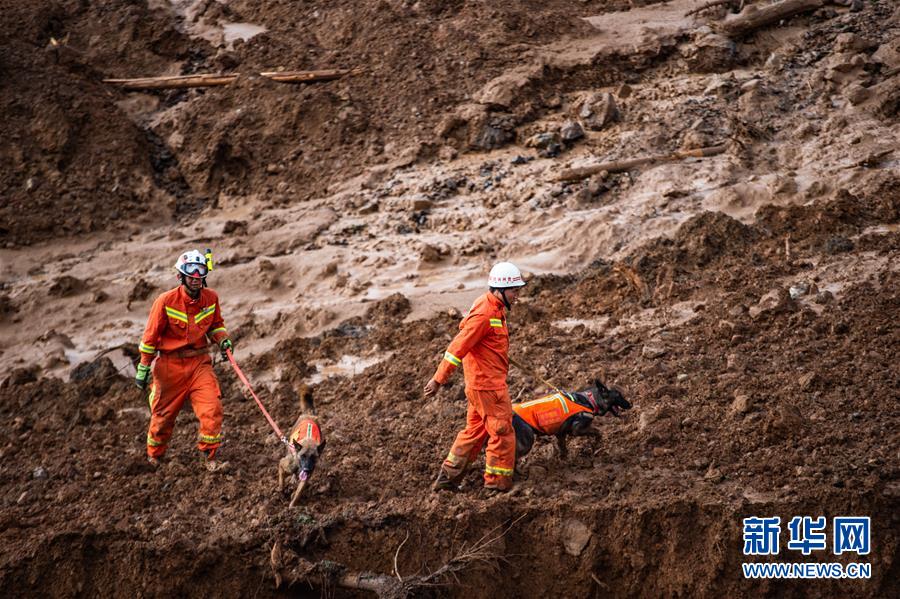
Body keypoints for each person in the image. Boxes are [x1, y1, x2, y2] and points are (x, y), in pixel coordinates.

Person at [424, 261, 527, 493]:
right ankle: (496, 485)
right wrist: (438, 379)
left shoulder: (494, 308)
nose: (518, 295)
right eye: (515, 291)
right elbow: (457, 348)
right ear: (500, 290)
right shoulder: (485, 313)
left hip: (481, 386)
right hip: (488, 388)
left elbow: (483, 342)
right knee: (502, 432)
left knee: (474, 433)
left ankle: (447, 479)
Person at [135, 249, 233, 471]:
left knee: (212, 408)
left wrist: (223, 340)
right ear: (181, 276)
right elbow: (150, 338)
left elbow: (216, 324)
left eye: (201, 272)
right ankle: (155, 456)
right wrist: (143, 367)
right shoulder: (165, 301)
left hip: (199, 363)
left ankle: (209, 457)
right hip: (170, 367)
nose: (197, 277)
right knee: (162, 418)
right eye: (191, 273)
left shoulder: (211, 298)